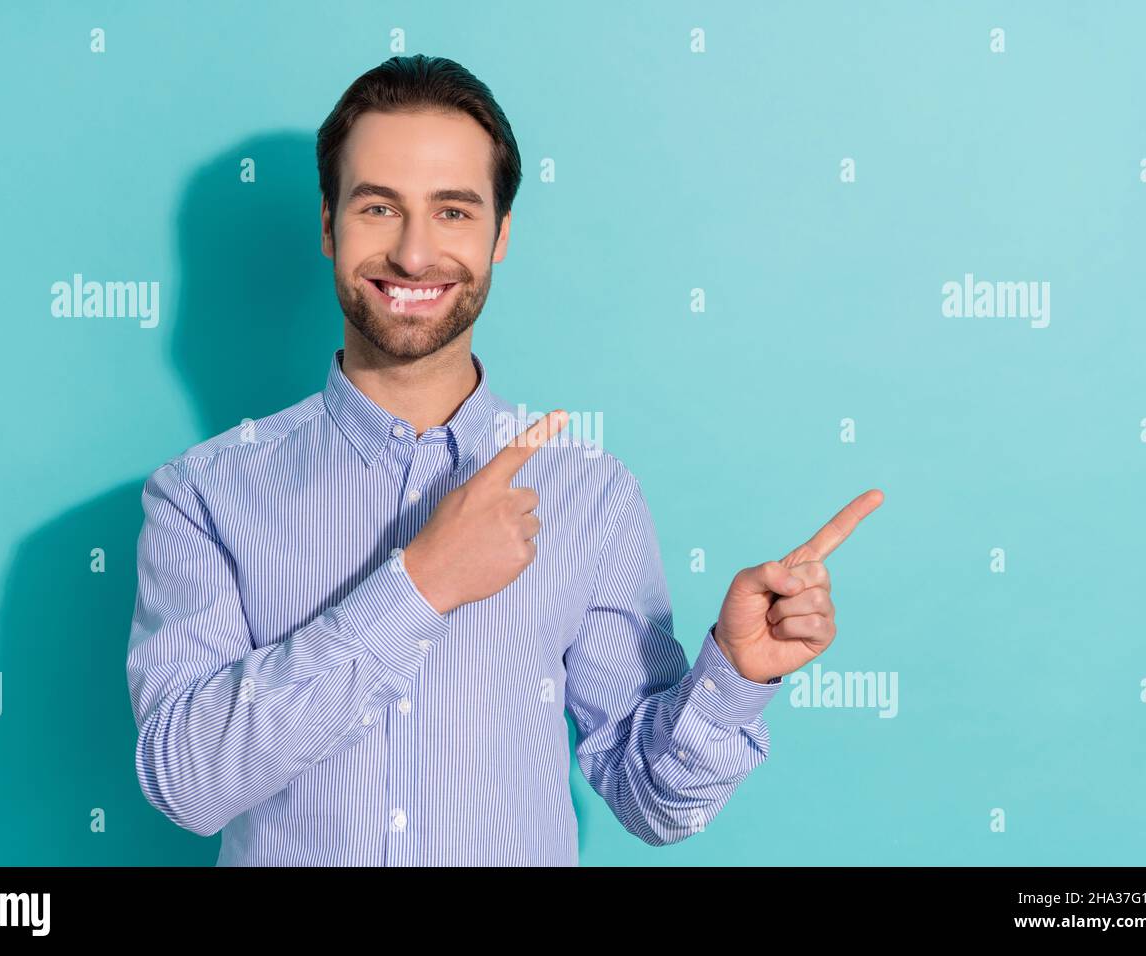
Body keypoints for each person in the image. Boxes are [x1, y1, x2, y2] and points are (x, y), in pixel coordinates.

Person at [126, 53, 882, 866]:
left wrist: (731, 678)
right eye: (379, 207)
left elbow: (652, 804)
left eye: (453, 212)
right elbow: (188, 783)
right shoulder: (202, 493)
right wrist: (419, 586)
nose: (414, 255)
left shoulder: (590, 493)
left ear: (501, 235)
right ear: (326, 225)